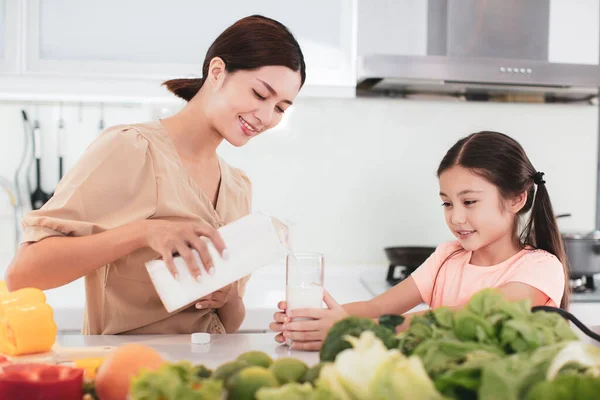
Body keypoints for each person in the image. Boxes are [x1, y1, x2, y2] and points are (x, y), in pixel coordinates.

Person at [5, 15, 306, 335]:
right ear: (217, 73)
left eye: (280, 108)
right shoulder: (131, 150)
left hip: (205, 378)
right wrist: (144, 232)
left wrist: (228, 297)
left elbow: (229, 324)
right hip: (130, 376)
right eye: (260, 95)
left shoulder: (238, 187)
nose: (265, 116)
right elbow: (23, 274)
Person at [270, 131, 569, 351]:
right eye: (447, 204)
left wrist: (350, 329)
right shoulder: (447, 257)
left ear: (517, 198)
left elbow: (462, 320)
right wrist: (311, 321)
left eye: (469, 202)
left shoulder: (540, 268)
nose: (456, 218)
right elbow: (378, 307)